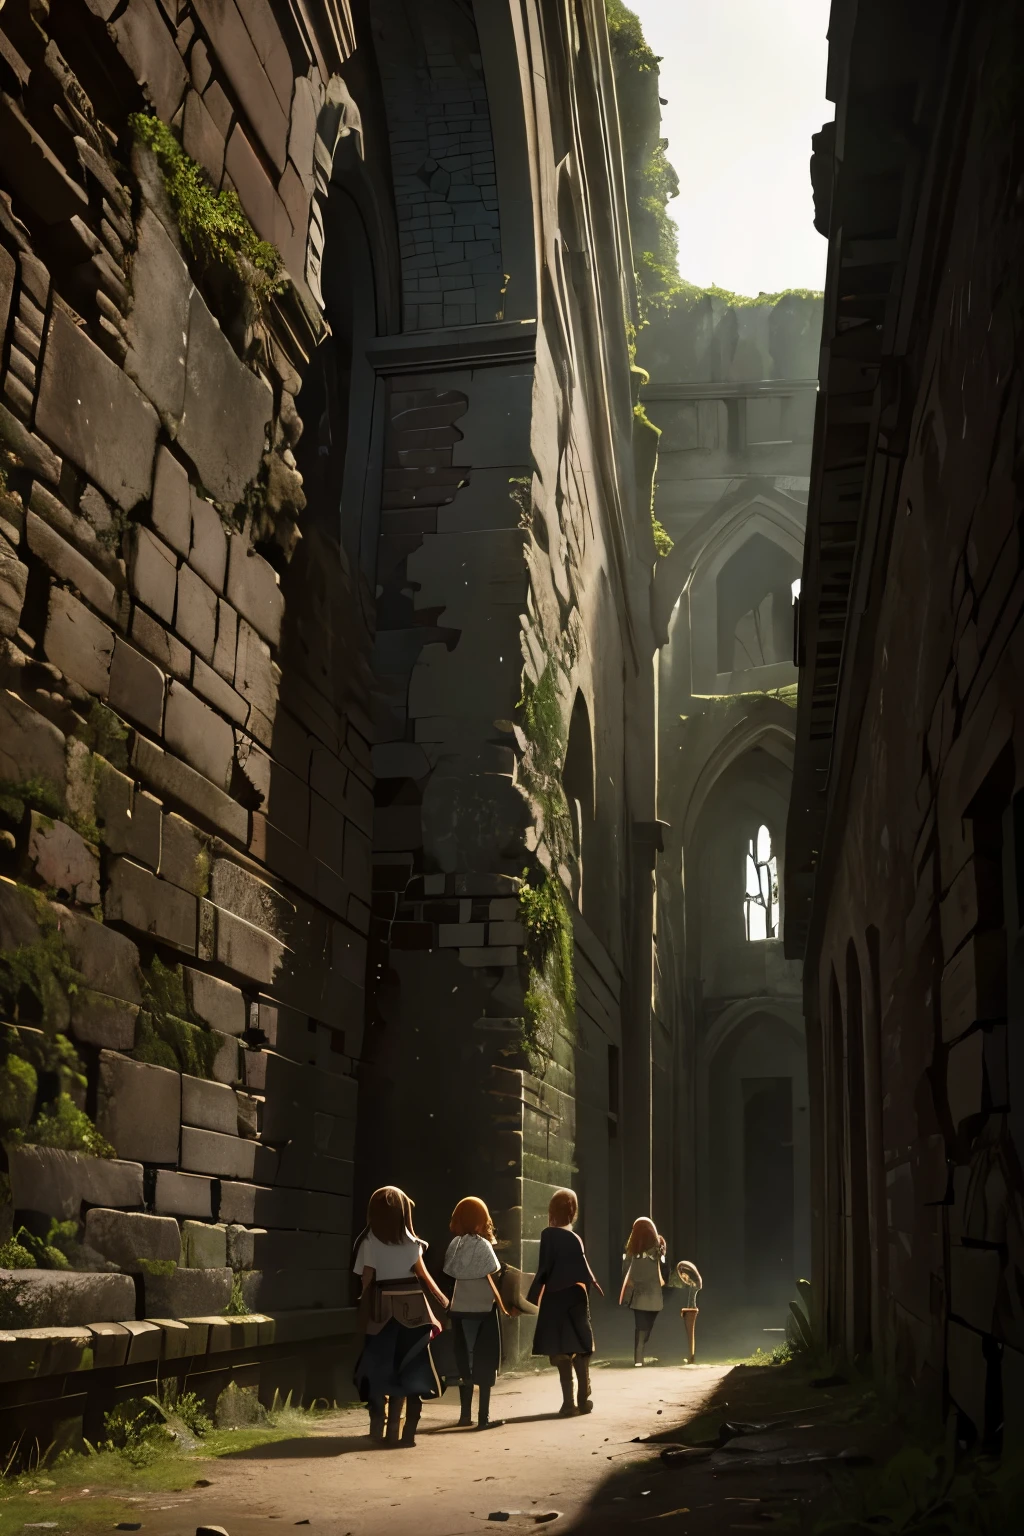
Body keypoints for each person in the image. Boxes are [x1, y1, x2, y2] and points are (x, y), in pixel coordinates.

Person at [352, 1185, 450, 1446]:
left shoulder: (369, 1241)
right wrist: (442, 1300)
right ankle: (401, 1431)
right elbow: (423, 1276)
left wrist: (364, 1303)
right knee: (410, 1368)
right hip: (414, 1312)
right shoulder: (412, 1244)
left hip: (380, 1310)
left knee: (378, 1368)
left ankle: (378, 1428)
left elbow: (367, 1278)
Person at [526, 1188, 603, 1417]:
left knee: (560, 1351)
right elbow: (583, 1268)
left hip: (554, 1298)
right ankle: (583, 1397)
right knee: (582, 1347)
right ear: (573, 1211)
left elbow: (544, 1269)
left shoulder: (547, 1235)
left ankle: (568, 1403)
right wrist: (594, 1283)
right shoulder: (574, 1238)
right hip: (576, 1297)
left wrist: (532, 1296)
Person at [443, 1196, 511, 1430]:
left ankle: (464, 1415)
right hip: (484, 1310)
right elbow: (493, 1271)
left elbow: (450, 1271)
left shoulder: (455, 1245)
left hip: (460, 1310)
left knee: (465, 1361)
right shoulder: (483, 1246)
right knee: (485, 1362)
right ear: (481, 1221)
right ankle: (483, 1417)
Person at [619, 1217, 667, 1367]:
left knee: (643, 1327)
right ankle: (638, 1358)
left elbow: (625, 1272)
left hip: (646, 1294)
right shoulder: (633, 1252)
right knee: (642, 1327)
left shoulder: (657, 1249)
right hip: (649, 1294)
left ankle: (639, 1354)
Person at [673, 1259, 702, 1363]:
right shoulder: (691, 1285)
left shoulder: (693, 1285)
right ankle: (690, 1357)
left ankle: (691, 1357)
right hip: (689, 1310)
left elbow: (691, 1302)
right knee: (689, 1336)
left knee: (690, 1335)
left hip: (691, 1311)